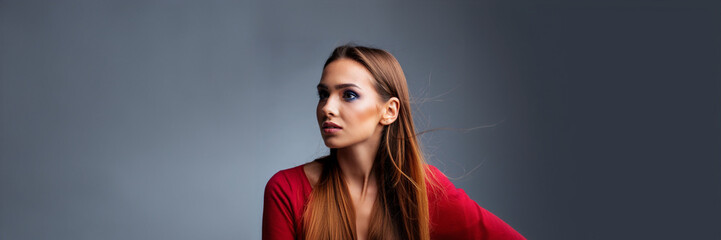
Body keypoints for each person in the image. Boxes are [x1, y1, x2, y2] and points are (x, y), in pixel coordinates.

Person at [262, 44, 525, 240]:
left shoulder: (422, 190)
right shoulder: (287, 190)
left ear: (389, 111)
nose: (327, 108)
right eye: (323, 94)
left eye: (349, 95)